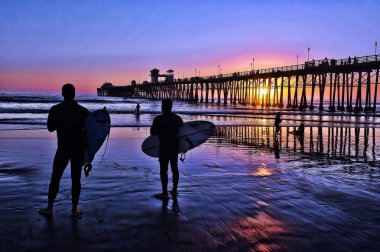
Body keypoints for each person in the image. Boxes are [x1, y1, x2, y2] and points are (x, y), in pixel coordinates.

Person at [39, 83, 88, 217]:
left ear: (62, 94)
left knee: (55, 177)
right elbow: (90, 133)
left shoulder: (55, 110)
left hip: (63, 148)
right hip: (78, 149)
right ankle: (74, 209)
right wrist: (89, 154)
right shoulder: (83, 111)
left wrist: (61, 121)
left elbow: (50, 128)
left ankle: (49, 208)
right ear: (74, 94)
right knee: (75, 179)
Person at [150, 99, 183, 199]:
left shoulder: (158, 119)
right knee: (175, 169)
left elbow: (152, 132)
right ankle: (174, 190)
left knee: (163, 170)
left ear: (162, 107)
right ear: (171, 106)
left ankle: (164, 193)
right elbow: (183, 134)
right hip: (174, 146)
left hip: (164, 146)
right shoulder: (178, 118)